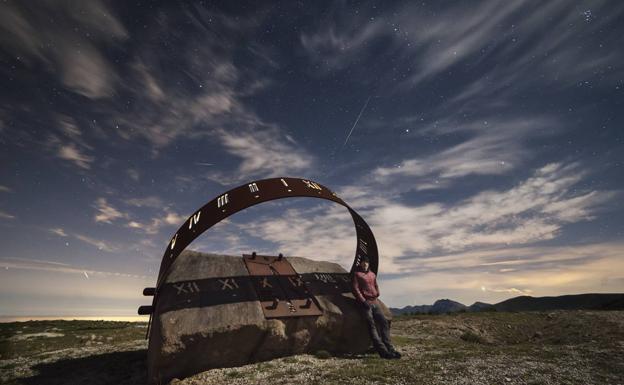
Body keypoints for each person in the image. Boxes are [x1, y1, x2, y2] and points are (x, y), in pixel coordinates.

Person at [351, 256, 401, 359]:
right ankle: (383, 352)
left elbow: (375, 284)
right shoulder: (357, 274)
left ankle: (390, 349)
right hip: (365, 304)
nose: (365, 264)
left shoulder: (372, 274)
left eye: (366, 263)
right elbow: (355, 289)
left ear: (368, 264)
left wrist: (377, 292)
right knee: (372, 327)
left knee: (384, 322)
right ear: (360, 264)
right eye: (363, 263)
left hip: (375, 302)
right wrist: (363, 301)